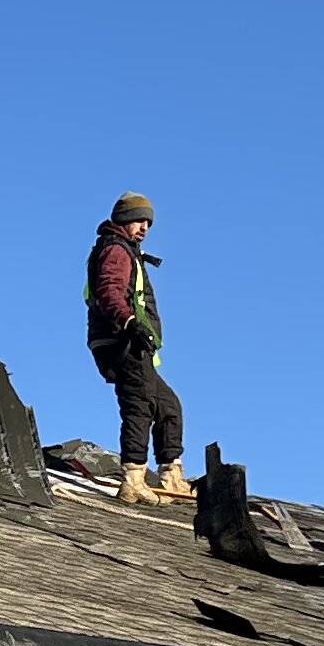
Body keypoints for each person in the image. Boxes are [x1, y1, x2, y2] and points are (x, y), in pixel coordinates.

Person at [86, 192, 189, 505]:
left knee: (168, 406)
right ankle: (133, 479)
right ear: (123, 219)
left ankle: (172, 477)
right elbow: (109, 291)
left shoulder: (126, 250)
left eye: (148, 222)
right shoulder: (117, 250)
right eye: (138, 220)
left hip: (131, 342)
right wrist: (130, 322)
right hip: (123, 341)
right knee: (139, 405)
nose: (144, 227)